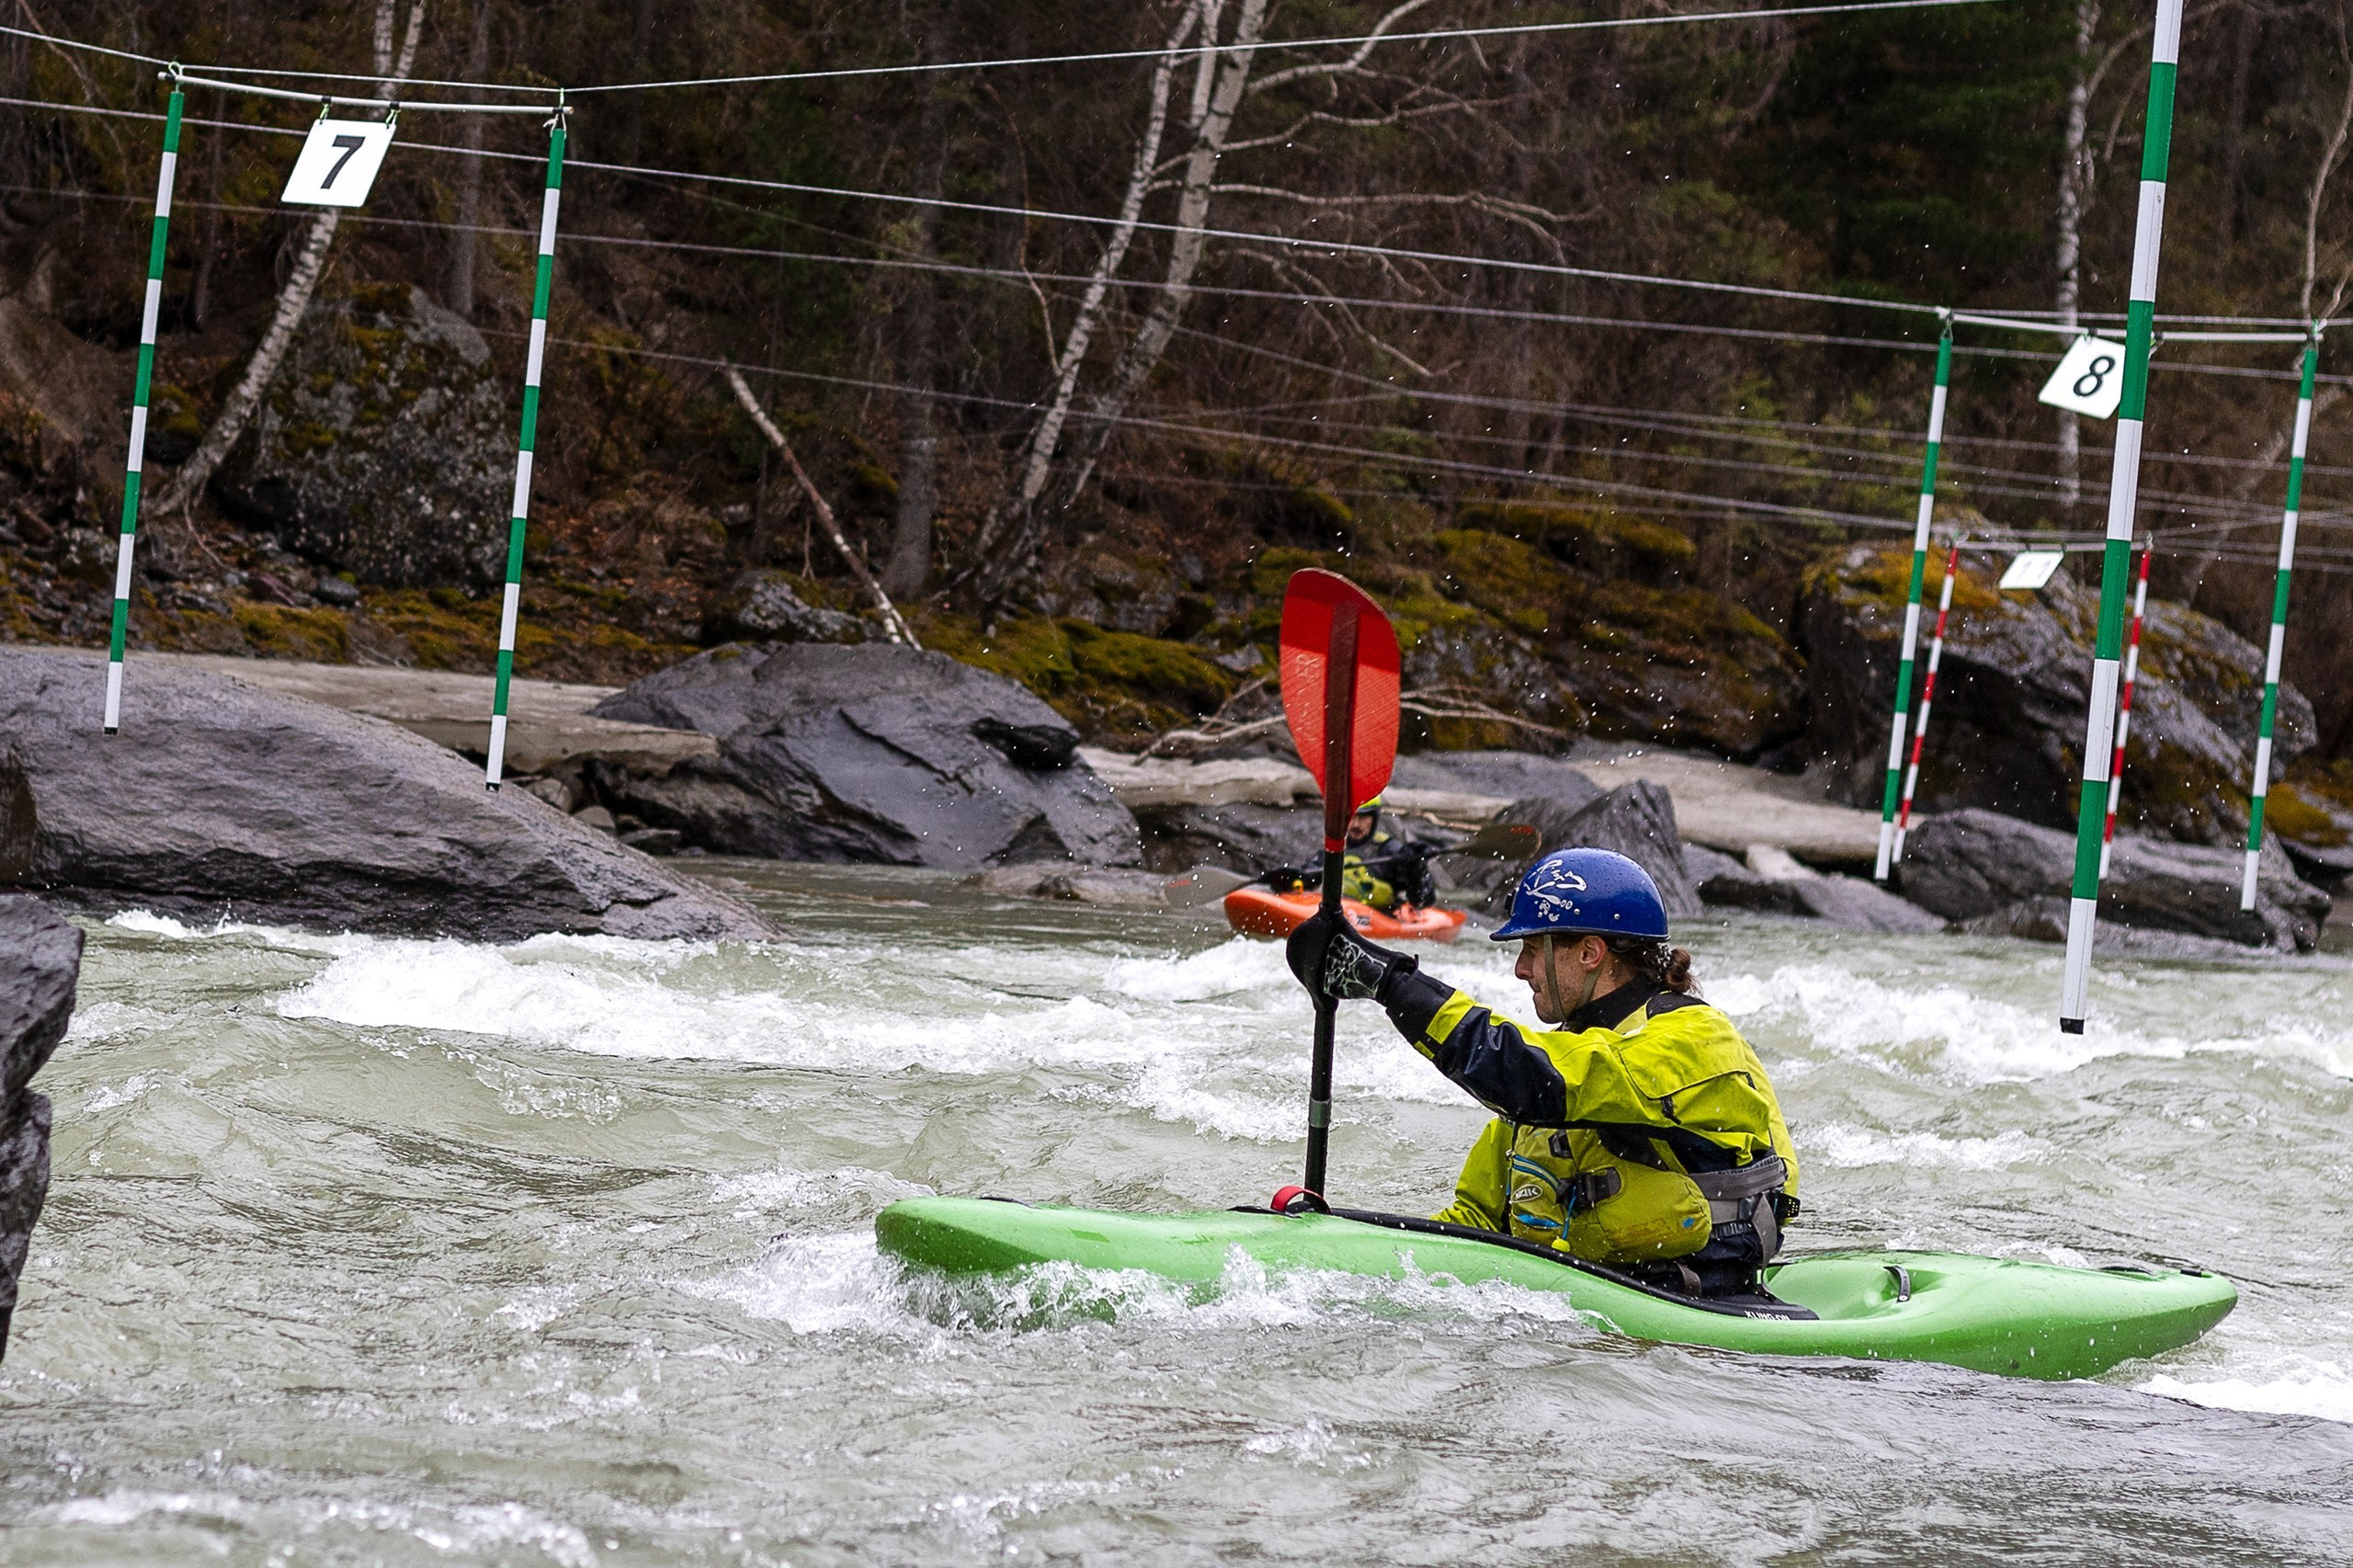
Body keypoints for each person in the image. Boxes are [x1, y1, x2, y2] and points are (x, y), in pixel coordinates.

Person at [1285, 846, 1801, 1299]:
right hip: (1591, 1289)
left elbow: (1528, 1073)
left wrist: (1385, 980)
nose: (1521, 968)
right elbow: (1475, 1223)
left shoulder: (1692, 1038)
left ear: (1590, 952)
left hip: (1696, 1299)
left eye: (1533, 949)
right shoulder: (1559, 1063)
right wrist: (1345, 1248)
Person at [1271, 797, 1438, 912]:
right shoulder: (1332, 850)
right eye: (1351, 817)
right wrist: (1287, 879)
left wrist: (1416, 867)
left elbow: (1424, 900)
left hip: (1378, 917)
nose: (1356, 824)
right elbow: (1307, 878)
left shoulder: (1390, 850)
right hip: (1340, 914)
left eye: (1363, 818)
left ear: (1374, 819)